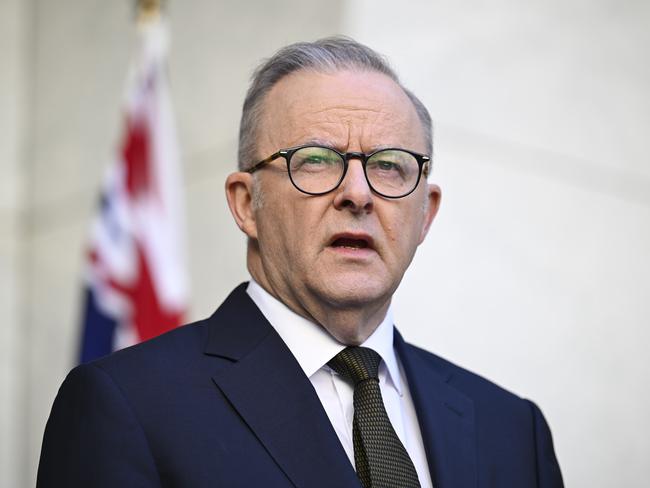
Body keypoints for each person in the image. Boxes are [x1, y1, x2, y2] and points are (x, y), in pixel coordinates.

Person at [37, 37, 564, 487]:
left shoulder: (513, 430)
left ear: (425, 213)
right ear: (247, 204)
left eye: (389, 166)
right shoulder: (127, 406)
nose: (358, 194)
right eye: (315, 161)